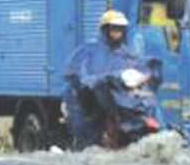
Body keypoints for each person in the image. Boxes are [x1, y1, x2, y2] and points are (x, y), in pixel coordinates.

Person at [63, 9, 155, 150]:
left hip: (119, 98)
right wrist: (95, 80)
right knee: (90, 136)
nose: (117, 32)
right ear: (105, 30)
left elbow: (140, 71)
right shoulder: (89, 50)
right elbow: (76, 74)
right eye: (114, 29)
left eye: (120, 29)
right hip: (89, 102)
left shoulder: (127, 54)